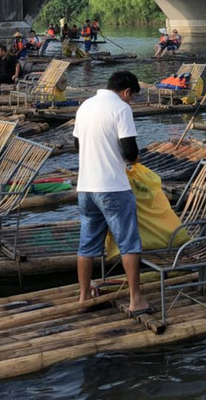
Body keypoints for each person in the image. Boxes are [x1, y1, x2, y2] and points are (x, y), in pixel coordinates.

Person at [73, 70, 150, 315]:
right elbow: (129, 150)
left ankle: (84, 295)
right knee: (129, 242)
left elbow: (77, 145)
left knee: (87, 244)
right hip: (113, 187)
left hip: (86, 186)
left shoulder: (85, 105)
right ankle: (136, 299)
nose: (131, 102)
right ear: (126, 92)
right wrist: (135, 158)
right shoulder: (121, 108)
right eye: (133, 97)